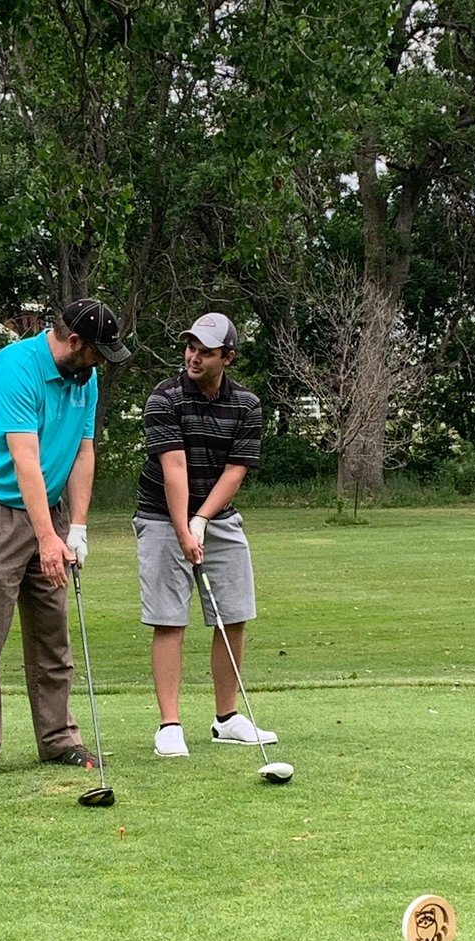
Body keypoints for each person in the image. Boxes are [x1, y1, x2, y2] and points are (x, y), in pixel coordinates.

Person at [0, 298, 131, 779]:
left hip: (46, 510)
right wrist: (47, 538)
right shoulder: (14, 368)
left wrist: (77, 528)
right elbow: (25, 459)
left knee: (53, 632)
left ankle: (58, 738)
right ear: (74, 342)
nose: (100, 365)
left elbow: (82, 453)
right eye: (97, 352)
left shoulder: (84, 378)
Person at [133, 312, 278, 757]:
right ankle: (169, 726)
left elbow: (235, 472)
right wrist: (183, 527)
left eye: (206, 352)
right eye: (190, 347)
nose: (194, 357)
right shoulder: (165, 398)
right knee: (168, 617)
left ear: (227, 358)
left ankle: (227, 719)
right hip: (160, 515)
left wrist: (202, 520)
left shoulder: (248, 405)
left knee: (232, 614)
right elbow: (173, 468)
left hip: (219, 515)